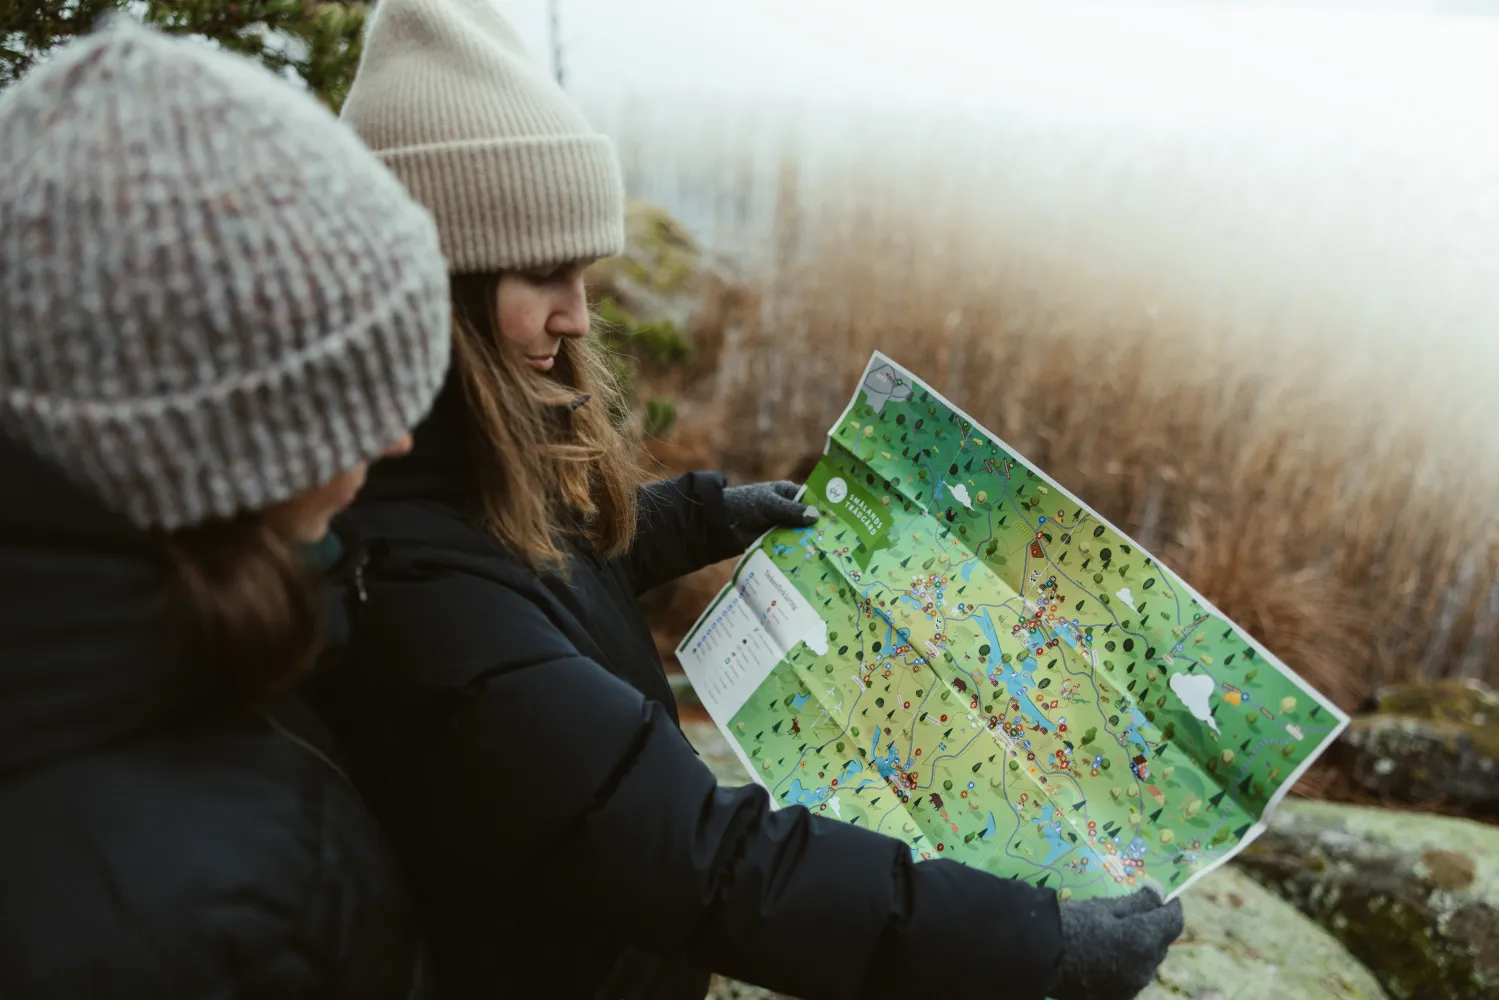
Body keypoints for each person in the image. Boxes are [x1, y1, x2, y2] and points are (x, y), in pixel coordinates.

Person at [324, 2, 1184, 998]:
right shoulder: (418, 596)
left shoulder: (426, 489)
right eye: (542, 275)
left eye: (583, 272)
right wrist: (1031, 948)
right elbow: (708, 861)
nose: (575, 313)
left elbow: (529, 579)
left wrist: (698, 518)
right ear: (433, 291)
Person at [0, 18, 453, 998]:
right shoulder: (189, 916)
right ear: (207, 443)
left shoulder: (141, 680)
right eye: (346, 407)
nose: (393, 441)